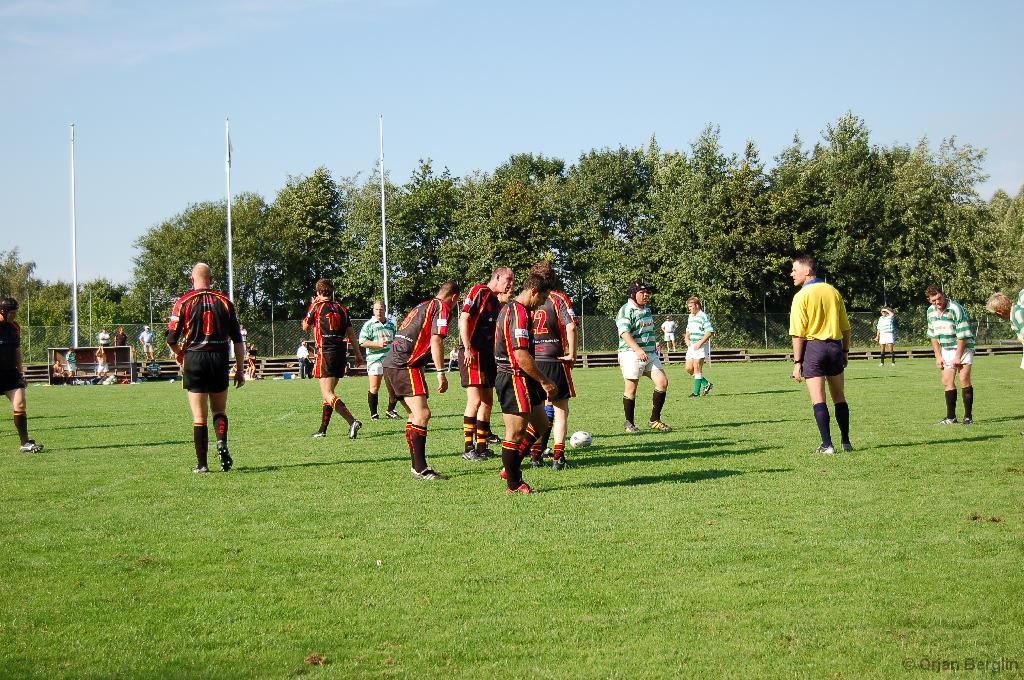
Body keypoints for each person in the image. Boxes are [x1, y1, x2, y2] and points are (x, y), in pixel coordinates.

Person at [165, 263, 244, 473]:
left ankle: (202, 464)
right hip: (219, 357)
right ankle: (221, 441)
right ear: (211, 279)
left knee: (199, 417)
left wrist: (180, 354)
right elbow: (238, 340)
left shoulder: (183, 302)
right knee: (219, 410)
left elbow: (171, 339)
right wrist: (240, 369)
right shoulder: (225, 302)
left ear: (192, 279)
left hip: (194, 358)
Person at [383, 282, 461, 481]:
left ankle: (416, 466)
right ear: (454, 298)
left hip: (392, 363)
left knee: (414, 415)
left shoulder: (423, 305)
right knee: (422, 414)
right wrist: (441, 372)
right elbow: (436, 340)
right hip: (405, 365)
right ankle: (420, 468)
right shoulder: (442, 308)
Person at [495, 265, 557, 494]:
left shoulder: (514, 309)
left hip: (523, 376)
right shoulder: (519, 313)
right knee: (515, 432)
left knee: (541, 424)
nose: (542, 303)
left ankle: (509, 467)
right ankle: (513, 483)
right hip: (513, 376)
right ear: (532, 291)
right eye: (542, 298)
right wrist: (544, 380)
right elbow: (520, 355)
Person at [789, 256, 853, 454]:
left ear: (807, 271)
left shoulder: (801, 296)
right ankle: (846, 442)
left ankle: (827, 445)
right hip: (835, 347)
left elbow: (798, 334)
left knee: (818, 399)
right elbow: (846, 328)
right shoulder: (833, 291)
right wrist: (845, 351)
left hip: (814, 349)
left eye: (794, 270)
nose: (791, 274)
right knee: (839, 397)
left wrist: (797, 362)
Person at [458, 267, 515, 461]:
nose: (511, 284)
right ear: (497, 277)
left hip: (488, 355)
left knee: (487, 402)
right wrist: (466, 347)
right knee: (474, 401)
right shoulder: (479, 291)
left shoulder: (495, 301)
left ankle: (481, 446)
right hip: (473, 352)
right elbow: (464, 318)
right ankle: (468, 448)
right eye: (508, 279)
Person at [302, 279, 364, 439]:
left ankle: (352, 421)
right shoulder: (342, 308)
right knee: (328, 394)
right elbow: (351, 334)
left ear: (318, 292)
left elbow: (305, 327)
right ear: (332, 291)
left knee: (327, 393)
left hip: (326, 352)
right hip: (341, 352)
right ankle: (322, 429)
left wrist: (312, 304)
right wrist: (358, 354)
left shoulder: (317, 306)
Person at [528, 287, 576, 471]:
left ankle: (535, 455)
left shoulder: (528, 298)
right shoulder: (558, 298)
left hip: (533, 361)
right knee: (561, 410)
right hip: (554, 360)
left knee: (538, 409)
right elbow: (571, 326)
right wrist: (572, 354)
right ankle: (558, 457)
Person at [616, 281, 671, 433]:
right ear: (633, 294)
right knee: (631, 389)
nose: (646, 295)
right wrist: (638, 349)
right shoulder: (626, 310)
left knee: (662, 382)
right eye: (642, 292)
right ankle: (629, 423)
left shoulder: (646, 309)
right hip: (631, 353)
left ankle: (654, 420)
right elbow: (624, 333)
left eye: (646, 292)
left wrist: (652, 344)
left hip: (649, 354)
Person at [926, 285, 975, 425]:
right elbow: (932, 335)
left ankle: (968, 417)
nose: (937, 302)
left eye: (939, 298)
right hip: (946, 349)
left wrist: (958, 356)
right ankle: (951, 417)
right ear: (929, 300)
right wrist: (938, 356)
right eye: (933, 300)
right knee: (947, 381)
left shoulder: (956, 308)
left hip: (963, 347)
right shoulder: (930, 311)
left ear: (943, 294)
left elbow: (963, 334)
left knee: (964, 379)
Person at [0, 298, 43, 452]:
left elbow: (17, 351)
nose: (14, 315)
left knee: (20, 404)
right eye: (12, 313)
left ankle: (25, 443)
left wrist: (20, 372)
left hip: (10, 372)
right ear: (3, 311)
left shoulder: (15, 327)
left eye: (15, 312)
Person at [359, 300, 399, 421]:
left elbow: (395, 340)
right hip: (375, 359)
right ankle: (374, 414)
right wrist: (378, 344)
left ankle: (390, 410)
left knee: (394, 387)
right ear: (373, 310)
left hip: (390, 359)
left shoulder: (391, 325)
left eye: (381, 309)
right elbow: (362, 342)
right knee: (375, 387)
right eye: (376, 309)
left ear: (385, 309)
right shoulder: (369, 325)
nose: (379, 311)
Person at [684, 297, 715, 397]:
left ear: (697, 305)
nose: (689, 308)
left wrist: (700, 343)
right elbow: (688, 329)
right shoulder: (690, 316)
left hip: (700, 345)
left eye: (691, 306)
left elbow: (710, 332)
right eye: (688, 306)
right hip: (691, 345)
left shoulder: (703, 316)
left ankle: (696, 393)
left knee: (697, 367)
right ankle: (706, 384)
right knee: (689, 368)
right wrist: (686, 338)